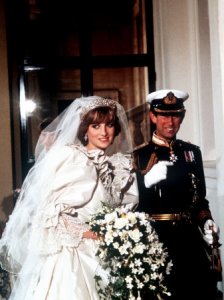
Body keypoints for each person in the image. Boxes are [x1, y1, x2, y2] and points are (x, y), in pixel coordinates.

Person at [0, 96, 139, 300]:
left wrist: (120, 231)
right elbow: (53, 214)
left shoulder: (119, 166)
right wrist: (93, 233)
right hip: (75, 254)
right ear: (85, 129)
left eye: (109, 125)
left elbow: (124, 209)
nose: (103, 132)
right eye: (96, 125)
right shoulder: (72, 158)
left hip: (110, 252)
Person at [134, 89, 220, 300]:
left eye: (175, 115)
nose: (170, 122)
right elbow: (134, 205)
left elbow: (200, 200)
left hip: (190, 240)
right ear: (153, 116)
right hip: (157, 241)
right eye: (164, 115)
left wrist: (207, 221)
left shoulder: (192, 152)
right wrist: (146, 184)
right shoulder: (139, 155)